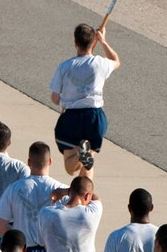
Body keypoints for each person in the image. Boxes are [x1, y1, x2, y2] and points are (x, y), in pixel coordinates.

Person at [48, 22, 117, 173]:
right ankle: (86, 155)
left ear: (75, 43)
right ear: (93, 41)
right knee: (87, 164)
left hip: (72, 117)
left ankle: (81, 152)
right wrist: (103, 41)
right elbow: (115, 60)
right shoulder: (100, 63)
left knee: (70, 168)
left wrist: (64, 101)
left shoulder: (65, 66)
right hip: (95, 117)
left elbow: (54, 97)